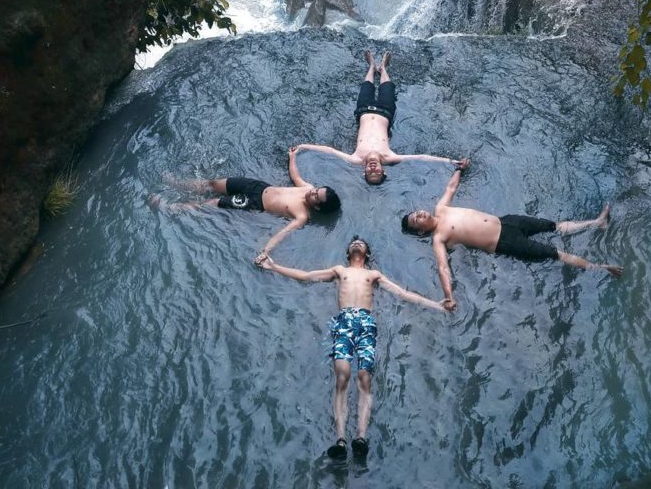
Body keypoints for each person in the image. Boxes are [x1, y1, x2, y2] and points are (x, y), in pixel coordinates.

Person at [256, 236, 447, 459]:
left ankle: (361, 437)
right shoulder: (339, 270)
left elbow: (402, 294)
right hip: (344, 322)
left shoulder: (373, 275)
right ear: (348, 253)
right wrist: (274, 266)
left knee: (364, 376)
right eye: (353, 242)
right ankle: (340, 439)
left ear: (367, 253)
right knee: (342, 376)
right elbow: (307, 276)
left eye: (361, 242)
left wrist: (437, 306)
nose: (357, 242)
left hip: (366, 323)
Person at [401, 164, 622, 311]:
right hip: (505, 243)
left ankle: (596, 223)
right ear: (420, 231)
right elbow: (443, 268)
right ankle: (600, 268)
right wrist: (449, 295)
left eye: (416, 212)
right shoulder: (439, 239)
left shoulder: (441, 208)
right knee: (555, 254)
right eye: (416, 220)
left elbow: (451, 187)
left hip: (507, 221)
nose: (420, 214)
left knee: (552, 226)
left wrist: (460, 168)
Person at [292, 50, 468, 184]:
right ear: (384, 170)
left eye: (370, 172)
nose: (373, 168)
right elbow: (422, 158)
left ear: (364, 171)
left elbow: (329, 151)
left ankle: (370, 67)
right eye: (377, 172)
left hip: (364, 111)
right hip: (385, 111)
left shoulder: (356, 159)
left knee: (366, 85)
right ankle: (383, 67)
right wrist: (452, 162)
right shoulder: (389, 156)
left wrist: (301, 147)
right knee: (387, 85)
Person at [150, 149, 341, 258]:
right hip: (258, 186)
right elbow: (296, 176)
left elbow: (282, 233)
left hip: (254, 202)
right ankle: (176, 183)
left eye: (317, 196)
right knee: (213, 183)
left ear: (317, 207)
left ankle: (171, 208)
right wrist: (292, 158)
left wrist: (265, 251)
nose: (313, 192)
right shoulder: (307, 188)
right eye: (317, 190)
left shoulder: (302, 216)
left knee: (213, 202)